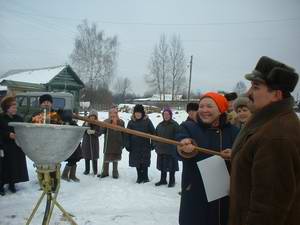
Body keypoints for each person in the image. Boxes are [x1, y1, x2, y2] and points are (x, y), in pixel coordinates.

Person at [228, 56, 300, 225]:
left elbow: (268, 209)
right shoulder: (268, 123)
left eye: (256, 87)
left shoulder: (276, 136)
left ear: (276, 94)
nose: (248, 93)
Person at [177, 92, 239, 225]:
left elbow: (246, 156)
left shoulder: (234, 132)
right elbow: (179, 143)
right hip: (195, 192)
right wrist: (184, 146)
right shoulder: (189, 127)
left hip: (224, 195)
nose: (204, 110)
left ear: (221, 109)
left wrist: (236, 154)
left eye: (209, 106)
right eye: (201, 106)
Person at [0, 96, 29, 195]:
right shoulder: (1, 117)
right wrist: (8, 134)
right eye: (13, 107)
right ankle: (1, 185)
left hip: (17, 146)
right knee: (4, 166)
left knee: (14, 165)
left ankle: (12, 183)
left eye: (15, 107)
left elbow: (24, 129)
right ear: (6, 107)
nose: (15, 109)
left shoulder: (19, 118)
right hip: (4, 146)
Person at [125, 104, 155, 183]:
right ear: (134, 113)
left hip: (145, 146)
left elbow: (153, 133)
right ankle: (139, 177)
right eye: (136, 112)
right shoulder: (131, 122)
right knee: (137, 162)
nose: (138, 114)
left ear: (142, 113)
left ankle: (145, 177)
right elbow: (127, 134)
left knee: (144, 162)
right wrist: (127, 144)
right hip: (135, 146)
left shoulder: (147, 121)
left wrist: (153, 144)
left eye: (139, 112)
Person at [154, 107, 180, 187]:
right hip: (161, 149)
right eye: (164, 114)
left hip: (171, 150)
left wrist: (175, 146)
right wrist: (156, 145)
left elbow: (179, 136)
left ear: (170, 115)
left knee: (171, 166)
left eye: (167, 114)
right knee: (162, 166)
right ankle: (163, 180)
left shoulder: (175, 125)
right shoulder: (160, 125)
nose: (166, 116)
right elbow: (155, 135)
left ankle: (172, 181)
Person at [98, 107, 125, 179]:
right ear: (109, 114)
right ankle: (105, 171)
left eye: (115, 113)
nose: (113, 115)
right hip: (108, 143)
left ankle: (115, 171)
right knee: (107, 157)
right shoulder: (106, 121)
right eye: (111, 113)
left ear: (117, 114)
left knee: (115, 157)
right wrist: (106, 124)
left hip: (117, 142)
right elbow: (102, 131)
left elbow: (124, 133)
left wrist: (123, 143)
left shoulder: (121, 122)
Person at [81, 110, 101, 176]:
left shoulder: (98, 124)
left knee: (94, 157)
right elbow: (81, 131)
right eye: (91, 116)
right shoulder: (86, 122)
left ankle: (95, 170)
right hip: (86, 142)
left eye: (94, 116)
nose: (92, 118)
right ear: (89, 116)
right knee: (87, 156)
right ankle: (87, 170)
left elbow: (99, 133)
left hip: (94, 142)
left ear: (96, 117)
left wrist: (94, 132)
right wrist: (85, 126)